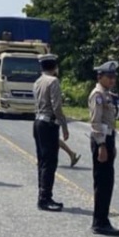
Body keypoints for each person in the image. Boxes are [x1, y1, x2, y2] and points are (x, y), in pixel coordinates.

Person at [89, 61, 119, 236]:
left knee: (107, 182)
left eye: (114, 77)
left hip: (108, 139)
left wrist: (112, 144)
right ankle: (99, 222)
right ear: (99, 76)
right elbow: (96, 122)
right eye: (109, 77)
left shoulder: (107, 94)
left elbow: (110, 123)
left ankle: (102, 219)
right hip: (101, 141)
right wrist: (101, 145)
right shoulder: (98, 95)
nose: (112, 80)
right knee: (102, 182)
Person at [33, 54, 68, 212]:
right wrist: (64, 126)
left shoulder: (38, 82)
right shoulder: (53, 81)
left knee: (42, 160)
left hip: (38, 121)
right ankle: (45, 198)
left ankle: (43, 194)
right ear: (54, 67)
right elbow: (57, 106)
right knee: (50, 161)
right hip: (48, 123)